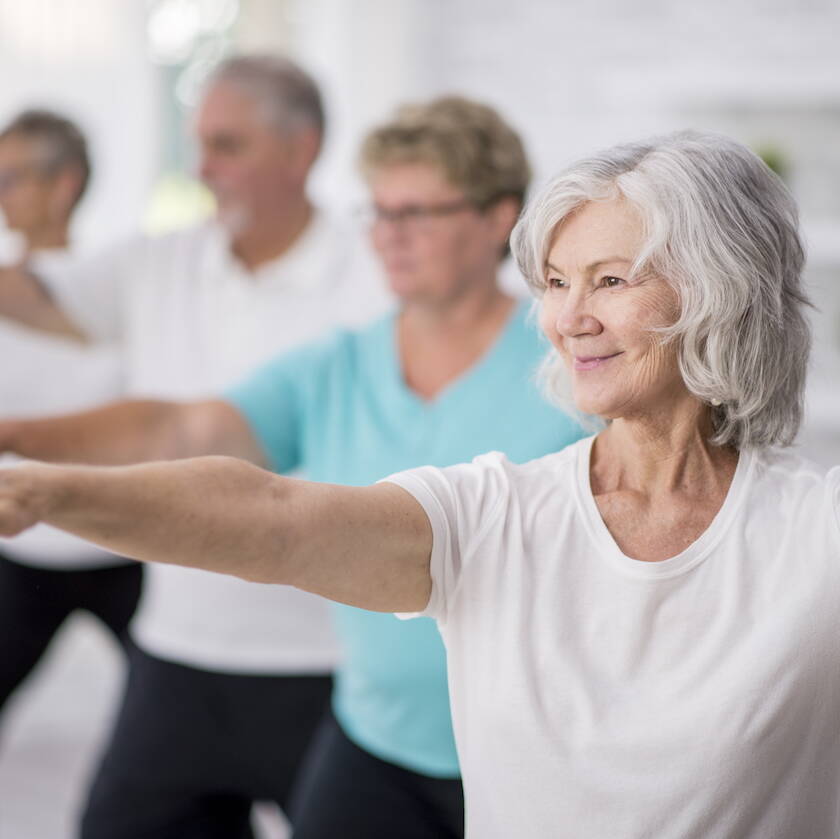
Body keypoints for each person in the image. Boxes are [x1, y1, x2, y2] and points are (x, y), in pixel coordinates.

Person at [2, 129, 838, 839]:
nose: (568, 318)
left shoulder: (814, 533)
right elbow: (273, 516)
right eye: (556, 282)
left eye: (611, 280)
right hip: (374, 744)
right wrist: (43, 491)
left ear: (717, 288)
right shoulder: (495, 510)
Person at [0, 96, 585, 838]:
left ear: (498, 217)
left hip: (534, 751)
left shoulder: (571, 365)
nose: (390, 236)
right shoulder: (338, 364)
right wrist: (15, 440)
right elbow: (183, 427)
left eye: (417, 213)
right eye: (379, 213)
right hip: (378, 740)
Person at [0, 56, 389, 838]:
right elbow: (37, 296)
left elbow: (187, 429)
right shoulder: (162, 260)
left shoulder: (376, 275)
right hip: (177, 653)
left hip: (329, 663)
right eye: (199, 143)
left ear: (301, 149)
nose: (202, 167)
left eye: (227, 145)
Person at [0, 109, 139, 717]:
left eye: (12, 178)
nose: (0, 194)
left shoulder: (122, 288)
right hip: (21, 544)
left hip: (122, 544)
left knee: (175, 712)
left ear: (64, 184)